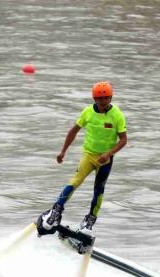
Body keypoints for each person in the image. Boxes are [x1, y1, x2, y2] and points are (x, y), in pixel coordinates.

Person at [40, 81, 128, 236]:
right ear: (94, 99)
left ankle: (89, 221)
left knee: (98, 190)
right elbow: (73, 131)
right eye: (99, 99)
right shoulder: (87, 112)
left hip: (105, 160)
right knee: (74, 182)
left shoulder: (117, 115)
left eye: (106, 98)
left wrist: (108, 154)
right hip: (88, 155)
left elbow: (123, 140)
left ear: (111, 98)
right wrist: (63, 152)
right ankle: (55, 211)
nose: (103, 102)